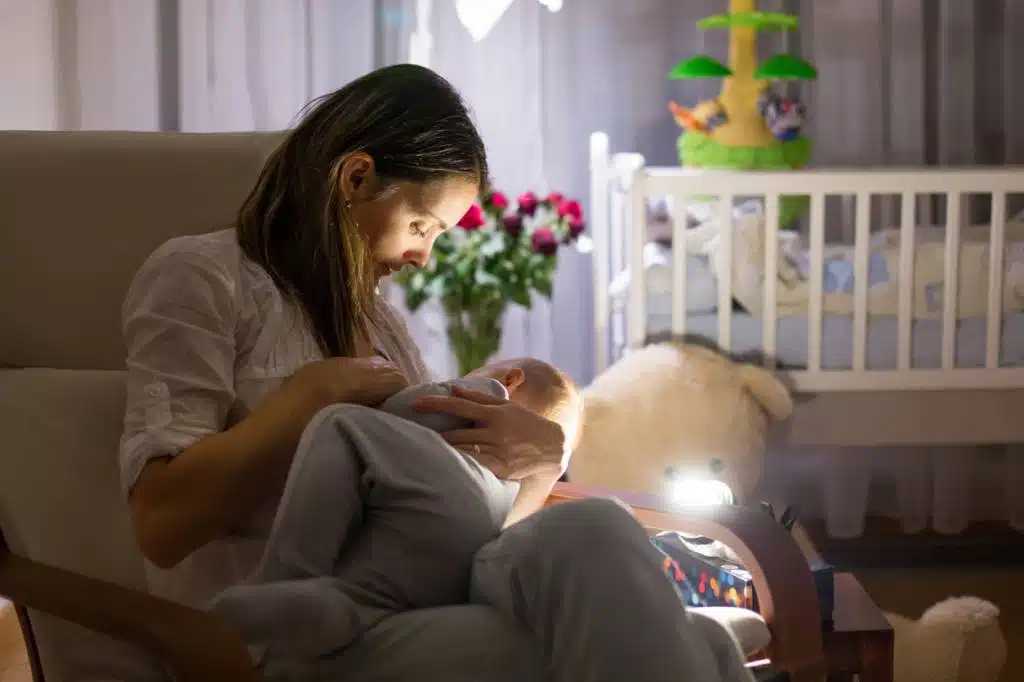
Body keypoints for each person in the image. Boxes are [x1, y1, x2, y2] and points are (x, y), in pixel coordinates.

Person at [119, 63, 751, 682]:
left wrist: (542, 457)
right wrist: (303, 404)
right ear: (357, 177)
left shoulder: (382, 327)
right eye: (422, 226)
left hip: (416, 595)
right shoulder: (203, 278)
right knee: (642, 648)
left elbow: (442, 505)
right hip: (284, 634)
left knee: (609, 537)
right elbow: (161, 525)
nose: (422, 257)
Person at [207, 359, 580, 671]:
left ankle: (289, 573)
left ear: (510, 378)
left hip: (445, 493)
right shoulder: (515, 483)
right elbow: (514, 523)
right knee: (361, 599)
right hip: (453, 562)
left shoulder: (486, 395)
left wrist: (382, 401)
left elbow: (411, 412)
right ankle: (343, 610)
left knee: (341, 424)